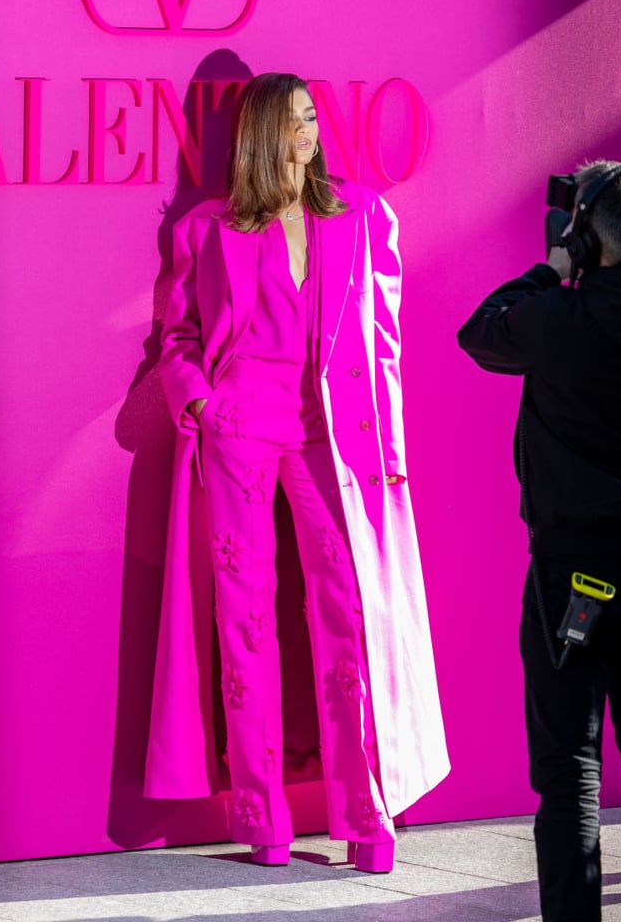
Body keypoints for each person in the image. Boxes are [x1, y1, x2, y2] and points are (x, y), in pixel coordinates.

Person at [144, 71, 449, 871]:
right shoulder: (207, 230)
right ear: (258, 136)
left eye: (314, 118)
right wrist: (203, 405)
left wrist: (387, 451)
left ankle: (365, 813)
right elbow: (177, 337)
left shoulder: (359, 214)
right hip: (239, 426)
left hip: (328, 435)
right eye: (293, 121)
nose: (309, 133)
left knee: (348, 612)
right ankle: (262, 818)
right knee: (243, 624)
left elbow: (381, 342)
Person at [457, 160, 621, 922]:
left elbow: (479, 331)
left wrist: (550, 267)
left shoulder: (560, 318)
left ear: (583, 239)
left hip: (577, 575)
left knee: (569, 768)